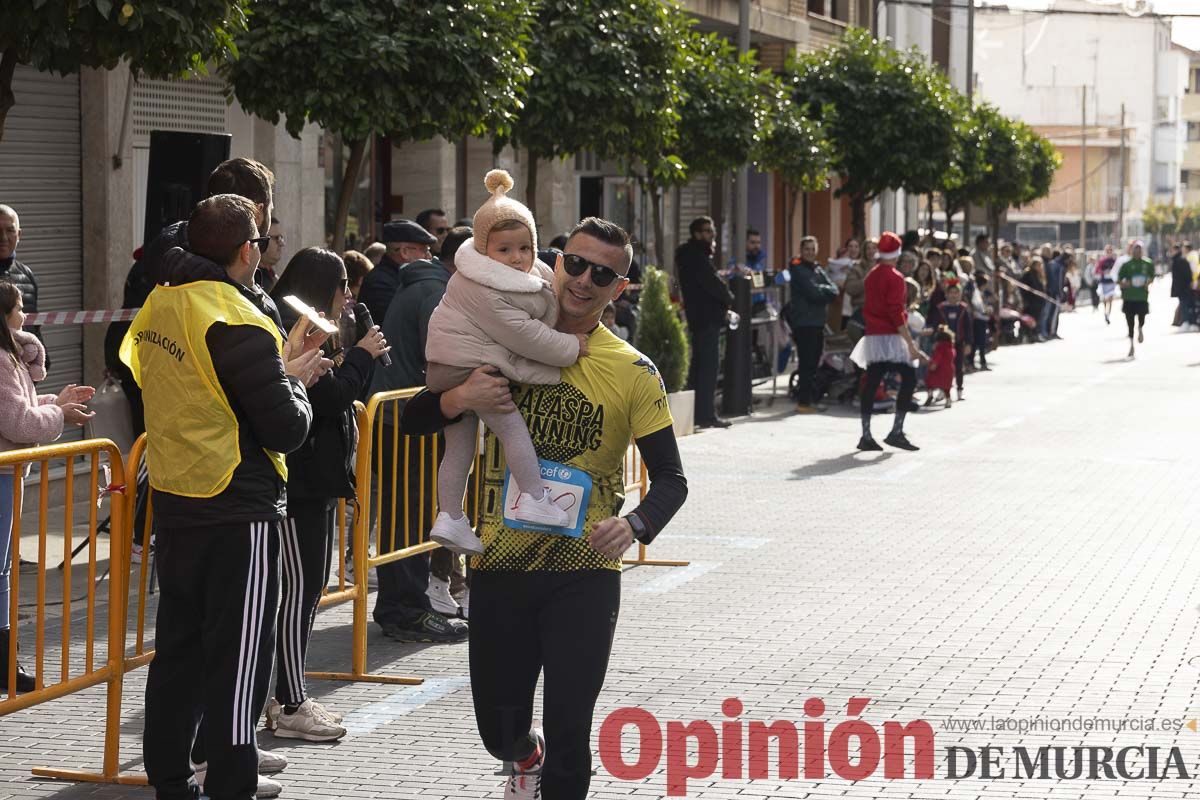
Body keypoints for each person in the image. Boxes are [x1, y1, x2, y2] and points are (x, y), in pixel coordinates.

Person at [400, 216, 688, 800]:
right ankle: (522, 757)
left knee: (570, 724)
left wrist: (635, 524)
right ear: (556, 262)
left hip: (583, 575)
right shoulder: (501, 329)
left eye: (602, 274)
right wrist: (461, 397)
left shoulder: (634, 371)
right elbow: (412, 418)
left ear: (620, 288)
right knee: (497, 728)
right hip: (500, 567)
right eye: (575, 263)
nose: (583, 280)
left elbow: (673, 480)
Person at [123, 194, 325, 800]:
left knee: (178, 650)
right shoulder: (236, 315)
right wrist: (297, 381)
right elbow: (286, 427)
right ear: (247, 250)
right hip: (240, 505)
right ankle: (232, 781)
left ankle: (170, 778)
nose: (263, 254)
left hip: (178, 496)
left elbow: (145, 374)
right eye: (262, 243)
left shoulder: (161, 302)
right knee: (240, 655)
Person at [262, 249, 389, 743]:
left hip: (312, 480)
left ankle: (282, 694)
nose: (350, 298)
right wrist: (361, 358)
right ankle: (289, 699)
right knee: (299, 591)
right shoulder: (297, 326)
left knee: (303, 589)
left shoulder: (310, 325)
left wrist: (355, 358)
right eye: (344, 287)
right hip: (298, 481)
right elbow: (328, 395)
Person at [424, 169, 583, 556]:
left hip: (451, 363)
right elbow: (526, 337)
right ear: (483, 250)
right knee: (510, 426)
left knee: (458, 444)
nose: (516, 258)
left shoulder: (518, 276)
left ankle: (450, 517)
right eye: (504, 250)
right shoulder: (480, 284)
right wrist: (572, 347)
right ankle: (532, 495)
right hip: (465, 365)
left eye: (524, 248)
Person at [369, 221, 468, 643]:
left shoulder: (420, 285)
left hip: (401, 419)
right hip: (408, 420)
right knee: (408, 518)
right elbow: (442, 361)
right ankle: (405, 608)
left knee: (405, 516)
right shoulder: (434, 292)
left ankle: (404, 604)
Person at [0, 282, 94, 693]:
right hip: (2, 474)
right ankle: (3, 662)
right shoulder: (3, 361)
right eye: (20, 309)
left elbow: (19, 411)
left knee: (1, 571)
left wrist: (58, 401)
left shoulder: (10, 358)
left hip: (8, 474)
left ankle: (6, 659)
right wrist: (59, 412)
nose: (25, 316)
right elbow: (18, 423)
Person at [851, 232, 925, 452]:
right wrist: (910, 344)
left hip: (873, 335)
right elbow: (896, 313)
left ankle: (866, 435)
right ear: (897, 253)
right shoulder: (895, 277)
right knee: (910, 378)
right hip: (891, 337)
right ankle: (896, 432)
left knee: (872, 381)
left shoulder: (871, 275)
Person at [676, 216, 733, 429]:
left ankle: (699, 413)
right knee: (708, 368)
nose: (711, 235)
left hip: (700, 318)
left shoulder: (694, 255)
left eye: (712, 231)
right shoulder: (695, 256)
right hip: (706, 319)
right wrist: (729, 297)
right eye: (708, 231)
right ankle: (706, 415)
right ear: (697, 233)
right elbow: (714, 285)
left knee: (700, 368)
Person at [786, 237, 839, 413]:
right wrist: (822, 291)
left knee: (814, 362)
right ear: (801, 250)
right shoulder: (798, 269)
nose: (810, 252)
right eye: (806, 249)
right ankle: (803, 402)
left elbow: (834, 290)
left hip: (817, 322)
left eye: (812, 249)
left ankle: (809, 400)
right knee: (806, 362)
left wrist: (821, 289)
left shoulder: (816, 268)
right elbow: (813, 294)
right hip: (804, 322)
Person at [357, 219, 437, 324]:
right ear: (404, 252)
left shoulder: (397, 277)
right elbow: (403, 322)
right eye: (424, 250)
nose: (429, 256)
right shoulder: (380, 283)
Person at [0, 206, 44, 363]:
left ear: (19, 235)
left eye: (10, 230)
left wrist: (41, 358)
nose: (3, 237)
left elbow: (34, 325)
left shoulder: (27, 275)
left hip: (25, 372)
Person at [927, 279, 971, 401]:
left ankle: (959, 389)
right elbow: (936, 325)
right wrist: (935, 340)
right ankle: (943, 390)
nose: (953, 295)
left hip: (958, 342)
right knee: (943, 368)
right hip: (944, 345)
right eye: (951, 293)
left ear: (960, 294)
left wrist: (968, 343)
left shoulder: (963, 308)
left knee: (958, 366)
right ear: (946, 294)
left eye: (956, 293)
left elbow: (968, 327)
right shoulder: (941, 308)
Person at [1119, 241, 1154, 359]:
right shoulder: (1127, 265)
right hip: (1129, 297)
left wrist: (1148, 282)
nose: (1137, 252)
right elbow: (1119, 279)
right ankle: (1131, 345)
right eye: (1135, 250)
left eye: (1139, 250)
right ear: (1131, 251)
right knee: (1130, 323)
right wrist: (1124, 283)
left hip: (1142, 297)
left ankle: (1140, 328)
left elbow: (1152, 276)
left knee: (1142, 317)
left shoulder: (1148, 263)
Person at [923, 325, 956, 408]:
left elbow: (937, 358)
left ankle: (930, 396)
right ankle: (948, 400)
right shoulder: (951, 348)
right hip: (949, 370)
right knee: (946, 386)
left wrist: (932, 365)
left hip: (938, 370)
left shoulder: (940, 347)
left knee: (929, 382)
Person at [256, 217, 285, 292]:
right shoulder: (254, 279)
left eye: (281, 238)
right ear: (261, 241)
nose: (282, 243)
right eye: (276, 238)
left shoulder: (271, 274)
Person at [1171, 242, 1194, 330]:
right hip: (1183, 287)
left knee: (1185, 305)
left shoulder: (1180, 260)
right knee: (1184, 304)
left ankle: (1187, 322)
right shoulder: (1179, 259)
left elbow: (1186, 275)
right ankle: (1187, 322)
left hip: (1183, 288)